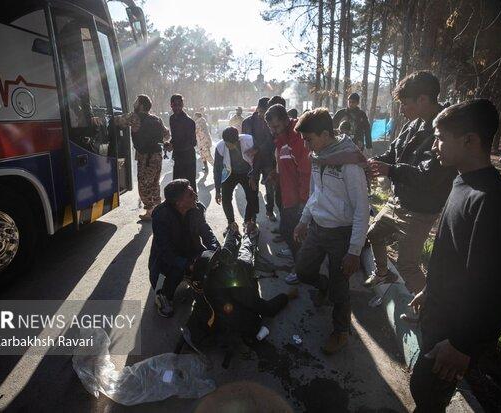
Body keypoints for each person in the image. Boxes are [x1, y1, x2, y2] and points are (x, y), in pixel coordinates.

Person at [408, 99, 501, 412]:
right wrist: (429, 288)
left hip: (454, 336)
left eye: (440, 138)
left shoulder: (496, 201)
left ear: (470, 140)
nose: (435, 146)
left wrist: (462, 344)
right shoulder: (462, 182)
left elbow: (496, 289)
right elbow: (457, 256)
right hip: (439, 318)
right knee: (424, 391)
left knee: (428, 395)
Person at [364, 71, 457, 299]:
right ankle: (383, 273)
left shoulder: (445, 132)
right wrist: (374, 163)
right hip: (398, 201)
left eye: (405, 103)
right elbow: (393, 153)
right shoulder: (413, 125)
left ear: (423, 100)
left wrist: (391, 170)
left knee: (407, 264)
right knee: (374, 234)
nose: (402, 109)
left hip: (420, 210)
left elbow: (428, 177)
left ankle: (428, 309)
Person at [292, 108, 370, 354]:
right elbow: (316, 194)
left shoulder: (349, 165)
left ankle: (341, 332)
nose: (306, 146)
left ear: (325, 134)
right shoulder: (320, 157)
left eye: (309, 139)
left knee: (340, 288)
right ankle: (322, 285)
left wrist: (354, 251)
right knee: (303, 270)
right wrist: (304, 220)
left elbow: (361, 209)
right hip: (317, 228)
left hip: (341, 235)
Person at [183, 224, 297, 363]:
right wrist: (287, 296)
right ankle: (249, 235)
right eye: (216, 263)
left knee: (236, 254)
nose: (219, 263)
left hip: (216, 314)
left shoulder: (200, 285)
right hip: (236, 321)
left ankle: (242, 234)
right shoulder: (234, 287)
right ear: (215, 268)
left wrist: (232, 234)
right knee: (245, 258)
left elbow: (225, 252)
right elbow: (267, 308)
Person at [149, 179, 219, 317]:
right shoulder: (161, 216)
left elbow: (206, 231)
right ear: (179, 203)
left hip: (191, 248)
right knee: (177, 270)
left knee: (211, 263)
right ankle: (163, 295)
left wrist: (215, 248)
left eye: (193, 192)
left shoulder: (197, 208)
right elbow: (165, 251)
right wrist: (188, 265)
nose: (195, 196)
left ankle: (192, 276)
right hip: (168, 257)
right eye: (191, 195)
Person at [264, 104, 311, 276]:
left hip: (299, 198)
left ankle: (301, 269)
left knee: (291, 231)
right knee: (290, 231)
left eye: (276, 127)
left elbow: (305, 173)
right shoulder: (281, 137)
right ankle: (295, 255)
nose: (273, 131)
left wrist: (303, 202)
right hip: (287, 194)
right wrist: (276, 175)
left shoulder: (298, 138)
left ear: (286, 120)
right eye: (271, 128)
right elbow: (286, 163)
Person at [115, 95, 169, 221]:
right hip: (157, 155)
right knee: (155, 183)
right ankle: (157, 209)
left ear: (141, 105)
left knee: (144, 184)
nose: (134, 104)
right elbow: (166, 135)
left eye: (136, 102)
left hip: (146, 157)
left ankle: (150, 212)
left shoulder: (134, 117)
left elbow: (117, 121)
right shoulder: (157, 119)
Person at [214, 127, 257, 231]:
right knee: (226, 199)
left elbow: (258, 159)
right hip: (230, 174)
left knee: (252, 196)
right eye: (228, 143)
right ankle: (231, 222)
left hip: (247, 173)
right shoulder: (220, 147)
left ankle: (248, 220)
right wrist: (217, 190)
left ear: (238, 139)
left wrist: (254, 176)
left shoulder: (249, 140)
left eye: (233, 143)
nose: (230, 146)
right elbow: (217, 169)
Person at [243, 97, 277, 221]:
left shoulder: (272, 122)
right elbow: (245, 140)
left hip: (268, 160)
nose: (263, 114)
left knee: (270, 188)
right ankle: (253, 216)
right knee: (252, 189)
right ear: (257, 108)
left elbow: (272, 140)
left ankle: (270, 211)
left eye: (266, 112)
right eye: (262, 111)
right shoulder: (247, 122)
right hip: (253, 162)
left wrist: (258, 149)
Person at [169, 94, 198, 192]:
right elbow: (175, 138)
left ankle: (193, 206)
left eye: (179, 104)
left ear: (182, 105)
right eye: (174, 105)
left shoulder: (189, 121)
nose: (177, 107)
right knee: (177, 187)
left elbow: (193, 142)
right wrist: (169, 143)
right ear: (171, 105)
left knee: (190, 186)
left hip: (188, 158)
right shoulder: (172, 119)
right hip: (178, 158)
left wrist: (174, 146)